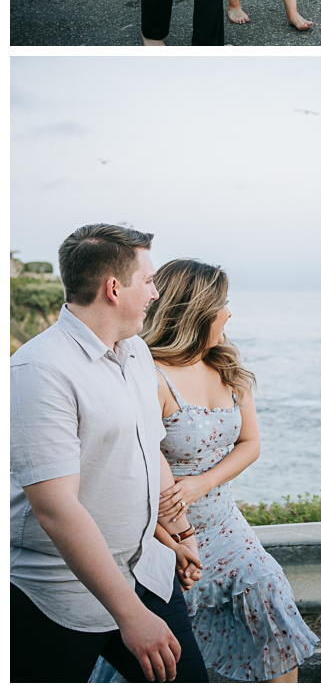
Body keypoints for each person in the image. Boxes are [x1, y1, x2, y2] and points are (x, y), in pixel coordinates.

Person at [91, 259, 318, 684]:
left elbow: (251, 444)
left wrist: (202, 482)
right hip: (166, 536)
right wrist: (169, 537)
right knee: (169, 652)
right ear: (197, 310)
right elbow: (129, 469)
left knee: (271, 603)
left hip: (227, 525)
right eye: (223, 303)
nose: (229, 313)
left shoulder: (228, 365)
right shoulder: (148, 374)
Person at [10, 224, 209, 684]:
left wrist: (179, 530)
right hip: (55, 597)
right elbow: (56, 509)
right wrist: (130, 614)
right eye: (149, 281)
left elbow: (147, 446)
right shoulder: (38, 371)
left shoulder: (136, 352)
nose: (156, 293)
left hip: (148, 573)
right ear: (113, 288)